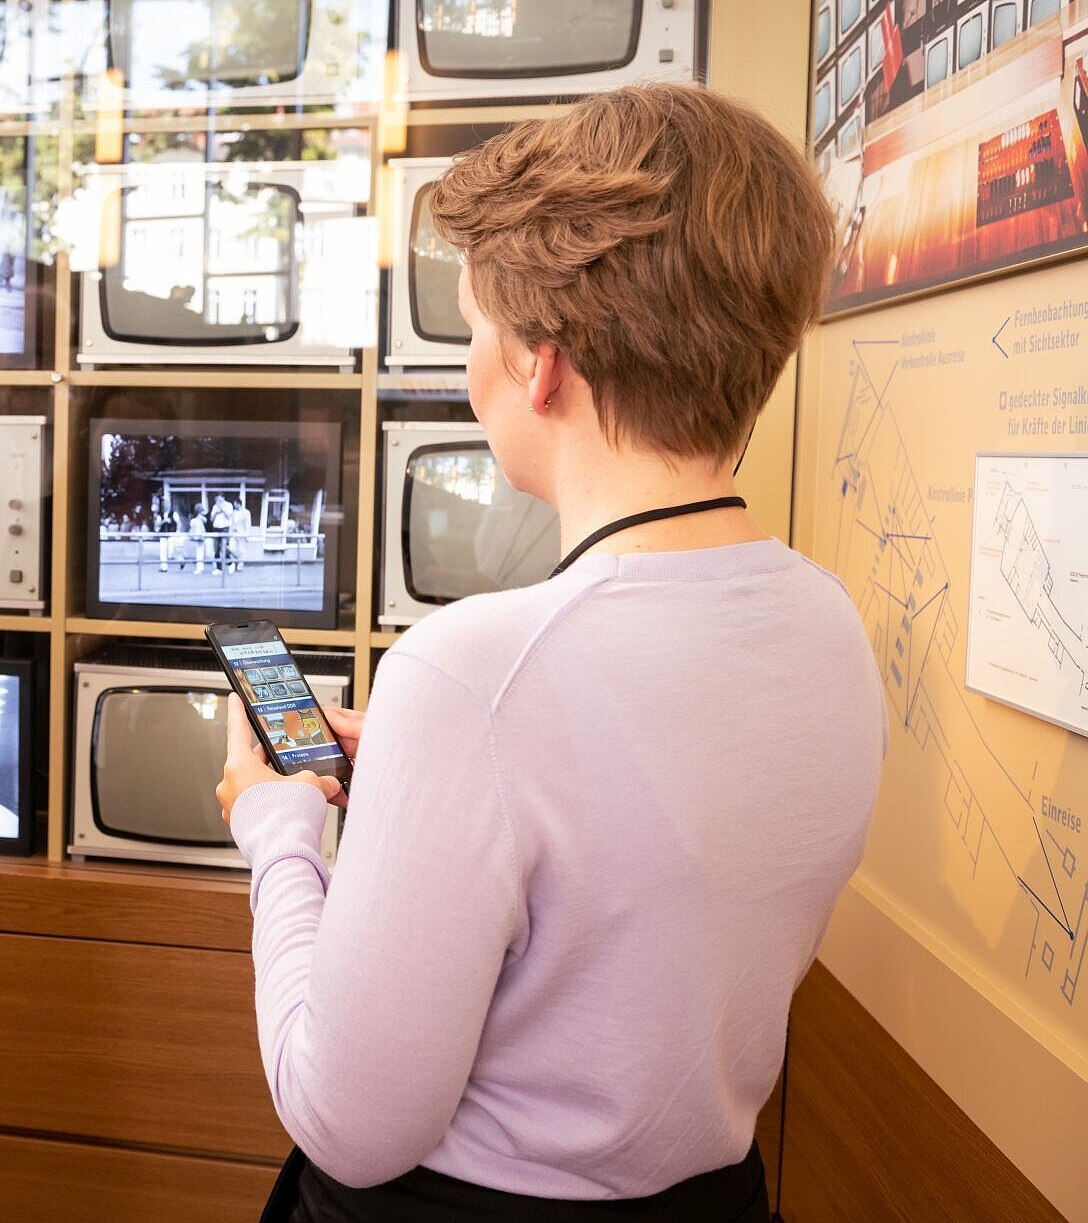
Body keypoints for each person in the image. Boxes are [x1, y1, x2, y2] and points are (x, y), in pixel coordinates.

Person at [215, 85, 884, 1223]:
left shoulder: (471, 668)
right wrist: (432, 783)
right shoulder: (829, 625)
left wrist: (272, 822)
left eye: (474, 328)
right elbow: (637, 891)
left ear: (541, 366)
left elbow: (345, 1123)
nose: (472, 368)